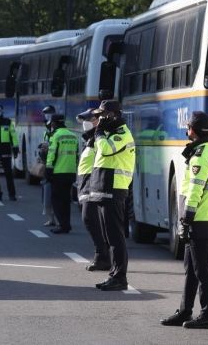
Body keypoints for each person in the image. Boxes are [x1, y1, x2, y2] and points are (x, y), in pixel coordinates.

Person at [160, 111, 208, 330]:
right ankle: (185, 311)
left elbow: (195, 191)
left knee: (202, 270)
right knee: (192, 269)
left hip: (198, 218)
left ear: (194, 131)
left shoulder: (199, 157)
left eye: (188, 128)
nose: (187, 131)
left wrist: (186, 219)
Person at [89, 100, 135, 292]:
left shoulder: (122, 134)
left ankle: (120, 277)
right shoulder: (110, 133)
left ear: (113, 115)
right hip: (103, 188)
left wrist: (99, 132)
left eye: (102, 115)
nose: (99, 119)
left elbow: (106, 151)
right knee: (109, 236)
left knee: (116, 237)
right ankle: (114, 275)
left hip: (114, 189)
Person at [76, 109, 109, 271]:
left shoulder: (100, 138)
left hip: (93, 182)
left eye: (90, 119)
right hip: (85, 182)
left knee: (90, 219)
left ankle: (102, 256)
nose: (86, 123)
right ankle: (102, 256)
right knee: (91, 220)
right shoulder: (90, 138)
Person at [45, 114, 78, 234]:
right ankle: (66, 224)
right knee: (66, 200)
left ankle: (61, 225)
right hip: (70, 172)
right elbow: (77, 155)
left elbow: (51, 154)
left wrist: (48, 170)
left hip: (58, 172)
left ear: (54, 123)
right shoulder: (73, 135)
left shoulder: (56, 136)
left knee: (56, 200)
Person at [41, 105, 57, 226]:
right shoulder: (47, 131)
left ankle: (55, 219)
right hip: (48, 164)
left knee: (53, 194)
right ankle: (51, 218)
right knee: (47, 193)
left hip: (54, 166)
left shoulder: (57, 132)